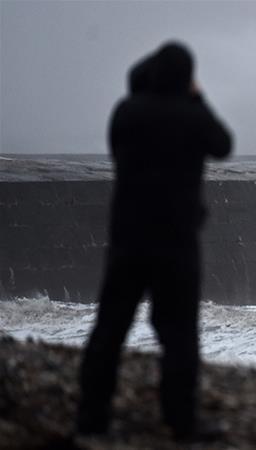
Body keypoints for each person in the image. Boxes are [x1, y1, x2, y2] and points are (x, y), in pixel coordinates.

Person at [76, 41, 232, 440]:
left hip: (129, 238)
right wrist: (197, 98)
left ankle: (91, 419)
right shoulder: (192, 116)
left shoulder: (127, 113)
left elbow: (118, 144)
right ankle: (181, 422)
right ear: (186, 78)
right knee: (178, 334)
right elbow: (222, 145)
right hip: (177, 243)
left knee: (110, 327)